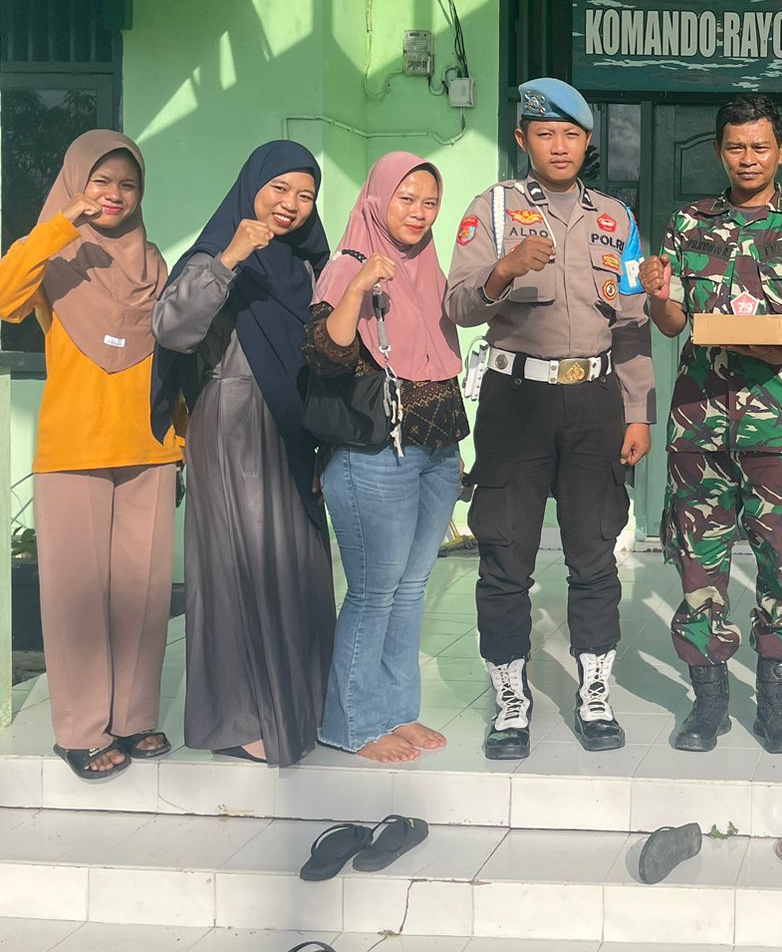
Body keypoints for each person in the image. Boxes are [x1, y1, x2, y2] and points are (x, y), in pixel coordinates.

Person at [445, 78, 652, 758]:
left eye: (571, 134)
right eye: (545, 134)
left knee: (595, 553)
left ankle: (594, 692)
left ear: (587, 141)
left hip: (595, 403)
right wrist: (502, 270)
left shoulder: (616, 219)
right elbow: (458, 306)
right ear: (522, 138)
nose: (559, 146)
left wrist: (638, 410)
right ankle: (511, 698)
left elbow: (631, 321)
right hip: (516, 402)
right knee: (505, 556)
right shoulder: (494, 209)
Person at [640, 96, 782, 755]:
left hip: (781, 426)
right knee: (698, 564)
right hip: (699, 423)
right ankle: (708, 704)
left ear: (781, 151)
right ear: (719, 151)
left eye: (760, 147)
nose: (748, 158)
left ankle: (777, 707)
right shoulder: (688, 224)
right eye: (736, 147)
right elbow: (672, 323)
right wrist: (657, 294)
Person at [0, 131, 182, 780]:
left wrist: (182, 437)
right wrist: (60, 223)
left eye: (127, 185)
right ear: (77, 183)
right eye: (100, 181)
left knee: (143, 592)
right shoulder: (54, 253)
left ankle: (132, 717)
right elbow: (6, 299)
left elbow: (171, 356)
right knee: (75, 594)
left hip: (149, 447)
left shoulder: (153, 263)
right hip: (74, 447)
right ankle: (80, 730)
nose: (113, 195)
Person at [151, 141, 333, 766]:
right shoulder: (214, 253)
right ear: (251, 185)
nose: (291, 204)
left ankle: (297, 705)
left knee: (298, 567)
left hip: (294, 427)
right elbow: (171, 329)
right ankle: (237, 720)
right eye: (279, 188)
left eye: (305, 194)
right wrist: (228, 259)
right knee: (238, 569)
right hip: (233, 425)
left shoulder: (306, 264)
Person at [305, 152, 468, 764]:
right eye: (406, 199)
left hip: (436, 446)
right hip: (373, 453)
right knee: (375, 590)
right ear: (377, 198)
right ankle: (352, 723)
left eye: (430, 202)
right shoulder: (348, 263)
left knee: (413, 586)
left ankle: (397, 711)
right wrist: (358, 288)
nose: (419, 213)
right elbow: (326, 354)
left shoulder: (428, 266)